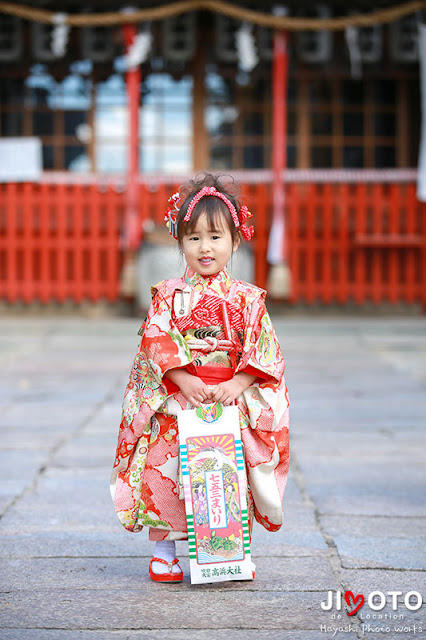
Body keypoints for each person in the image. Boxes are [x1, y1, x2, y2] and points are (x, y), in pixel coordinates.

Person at [111, 172, 290, 583]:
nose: (204, 247)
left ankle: (231, 549)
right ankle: (163, 551)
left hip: (230, 397)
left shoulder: (248, 298)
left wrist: (239, 383)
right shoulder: (167, 295)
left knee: (230, 473)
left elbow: (266, 351)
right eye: (193, 238)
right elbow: (154, 340)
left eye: (215, 237)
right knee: (170, 469)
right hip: (180, 397)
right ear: (180, 242)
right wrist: (181, 376)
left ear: (235, 241)